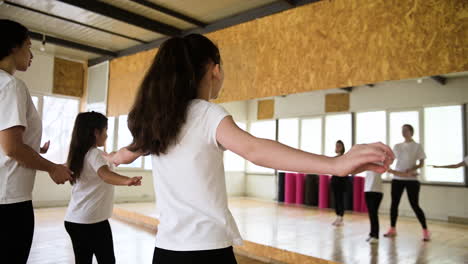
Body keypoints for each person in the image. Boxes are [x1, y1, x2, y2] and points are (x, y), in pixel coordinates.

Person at [105, 34, 394, 263]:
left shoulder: (158, 121)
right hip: (206, 252)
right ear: (215, 70)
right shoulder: (206, 113)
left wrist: (111, 158)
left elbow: (127, 152)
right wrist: (335, 164)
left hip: (165, 252)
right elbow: (254, 150)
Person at [0, 19, 72, 263]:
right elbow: (11, 147)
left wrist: (31, 148)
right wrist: (52, 167)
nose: (31, 55)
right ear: (12, 47)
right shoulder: (11, 86)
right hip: (9, 202)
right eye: (28, 47)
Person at [64, 112, 142, 264]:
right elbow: (105, 175)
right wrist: (128, 181)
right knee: (107, 260)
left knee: (83, 260)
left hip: (75, 220)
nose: (107, 135)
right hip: (91, 222)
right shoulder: (94, 154)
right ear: (95, 132)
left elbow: (112, 158)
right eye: (105, 130)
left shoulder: (81, 153)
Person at [384, 124, 430, 241]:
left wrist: (412, 169)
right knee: (394, 204)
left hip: (412, 180)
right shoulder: (397, 146)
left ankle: (425, 230)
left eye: (406, 130)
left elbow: (421, 163)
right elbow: (390, 160)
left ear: (411, 132)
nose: (403, 132)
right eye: (402, 130)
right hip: (397, 179)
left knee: (415, 205)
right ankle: (392, 228)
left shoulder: (417, 146)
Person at [330, 140, 348, 226]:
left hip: (341, 181)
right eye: (336, 146)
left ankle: (341, 217)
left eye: (339, 146)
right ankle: (338, 216)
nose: (337, 147)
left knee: (340, 200)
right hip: (335, 181)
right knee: (336, 200)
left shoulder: (344, 158)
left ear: (342, 147)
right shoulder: (334, 158)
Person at [364, 171, 383, 244]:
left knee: (374, 214)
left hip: (377, 191)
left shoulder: (380, 163)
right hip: (367, 190)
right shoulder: (367, 163)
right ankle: (372, 234)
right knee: (371, 214)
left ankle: (376, 236)